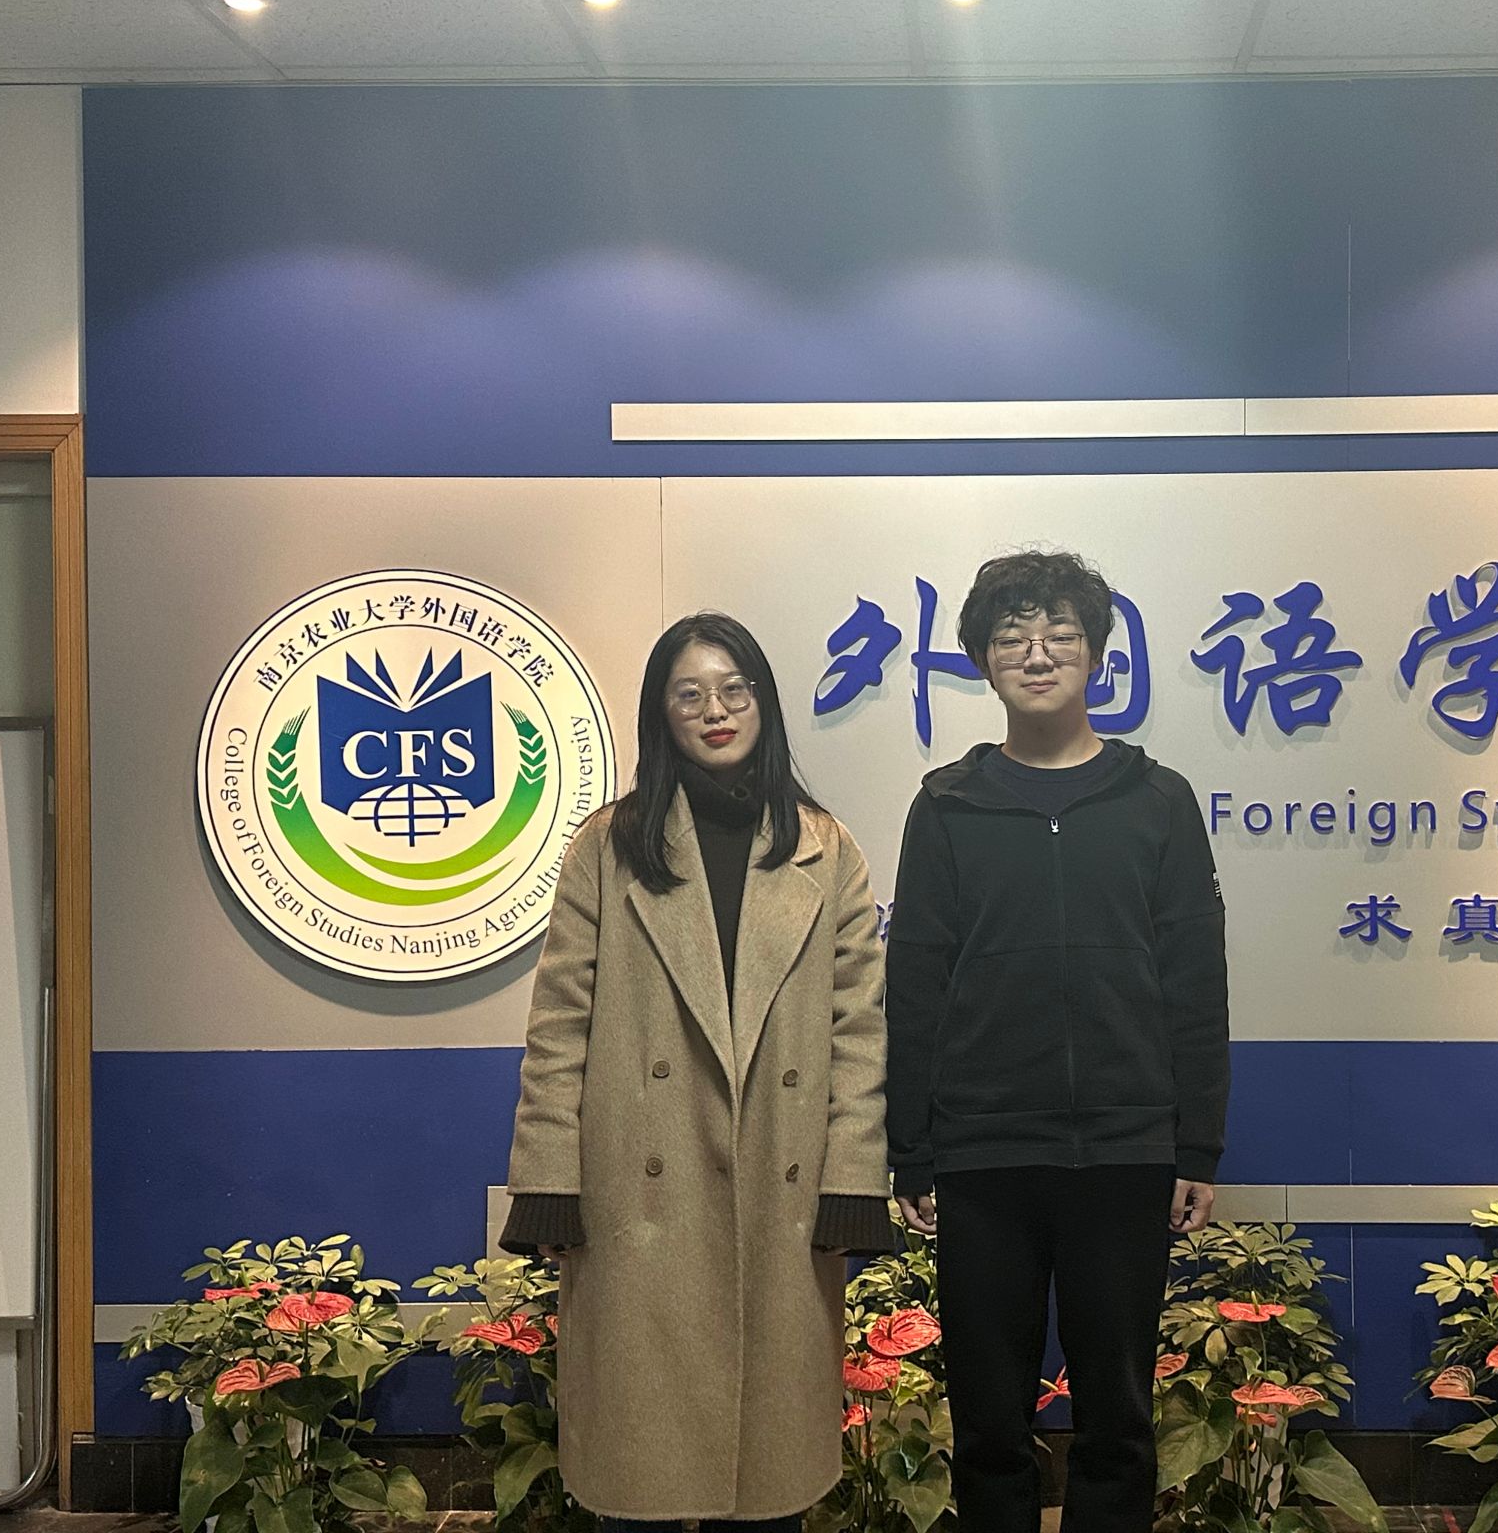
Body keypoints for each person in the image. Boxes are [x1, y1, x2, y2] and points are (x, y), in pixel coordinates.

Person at [500, 611, 894, 1532]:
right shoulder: (609, 846)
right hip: (639, 1196)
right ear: (661, 715)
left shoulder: (826, 849)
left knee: (770, 1488)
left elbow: (858, 1031)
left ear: (763, 703)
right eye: (690, 695)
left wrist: (851, 1178)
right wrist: (549, 1181)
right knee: (637, 1482)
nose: (716, 711)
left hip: (780, 1194)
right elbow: (558, 1026)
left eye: (734, 690)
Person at [885, 549, 1231, 1533]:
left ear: (1095, 654)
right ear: (983, 662)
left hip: (1122, 1152)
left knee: (1118, 1419)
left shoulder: (1155, 800)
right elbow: (913, 985)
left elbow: (1195, 984)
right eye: (1012, 637)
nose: (1036, 655)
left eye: (1059, 635)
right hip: (983, 1157)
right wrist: (911, 1148)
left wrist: (1196, 1145)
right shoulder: (947, 805)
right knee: (988, 1420)